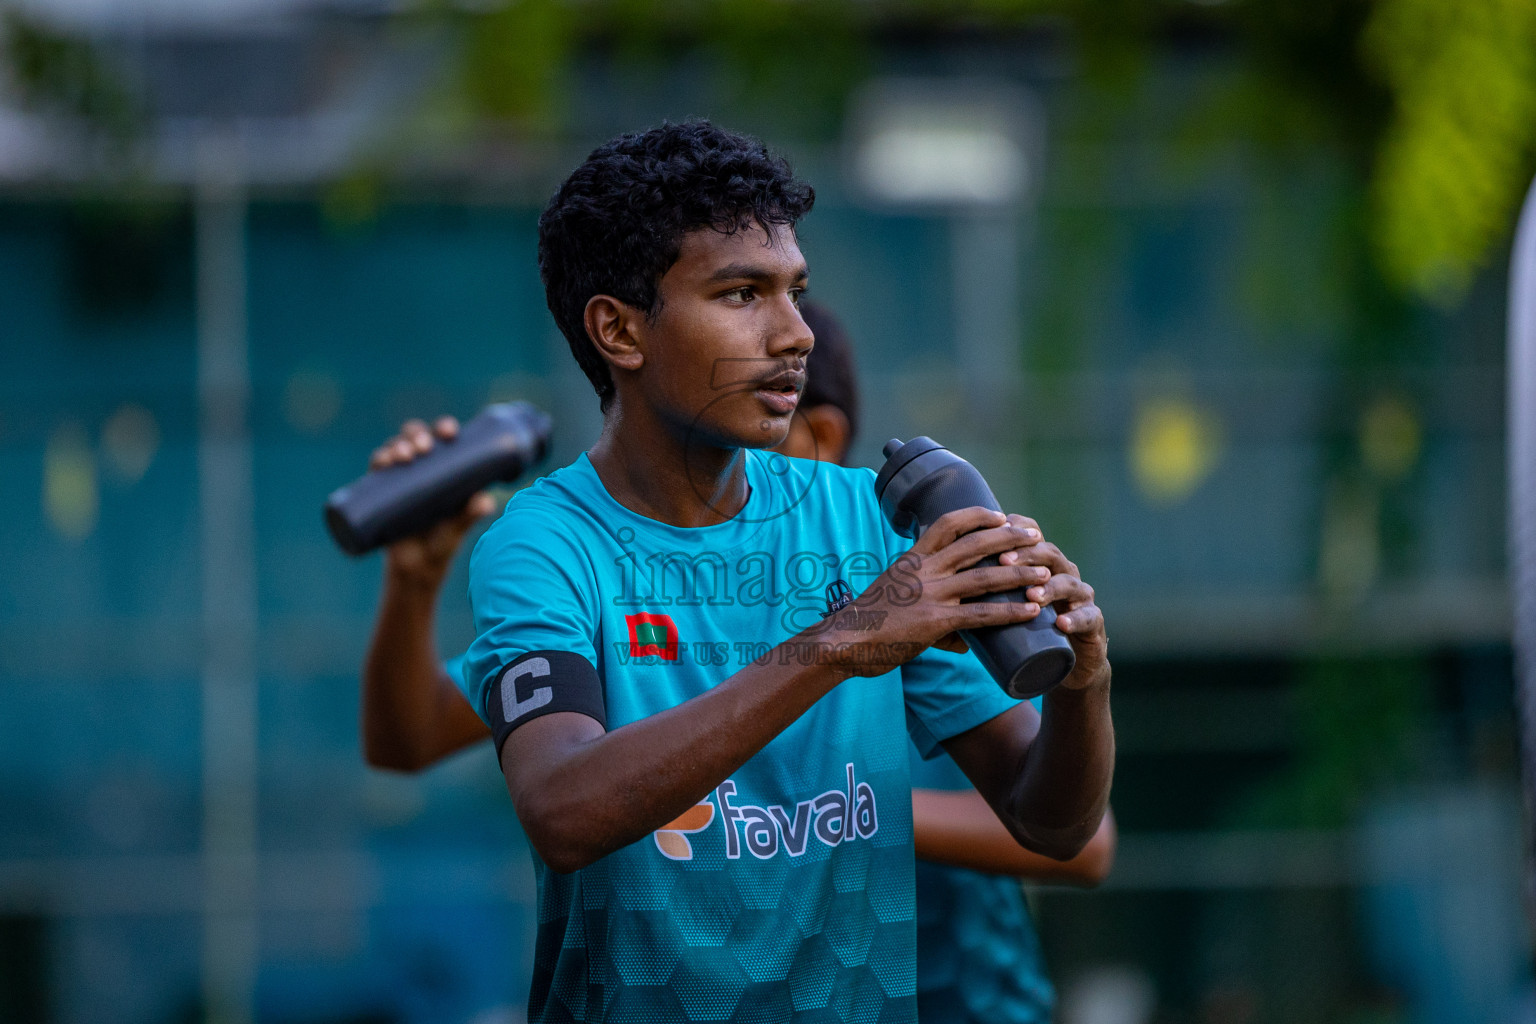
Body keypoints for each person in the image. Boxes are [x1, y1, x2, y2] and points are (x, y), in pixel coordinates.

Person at [368, 121, 1113, 1024]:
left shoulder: (863, 522)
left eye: (797, 292)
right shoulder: (544, 544)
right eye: (741, 294)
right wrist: (844, 640)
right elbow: (561, 808)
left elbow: (1059, 826)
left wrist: (1082, 687)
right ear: (619, 330)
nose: (795, 333)